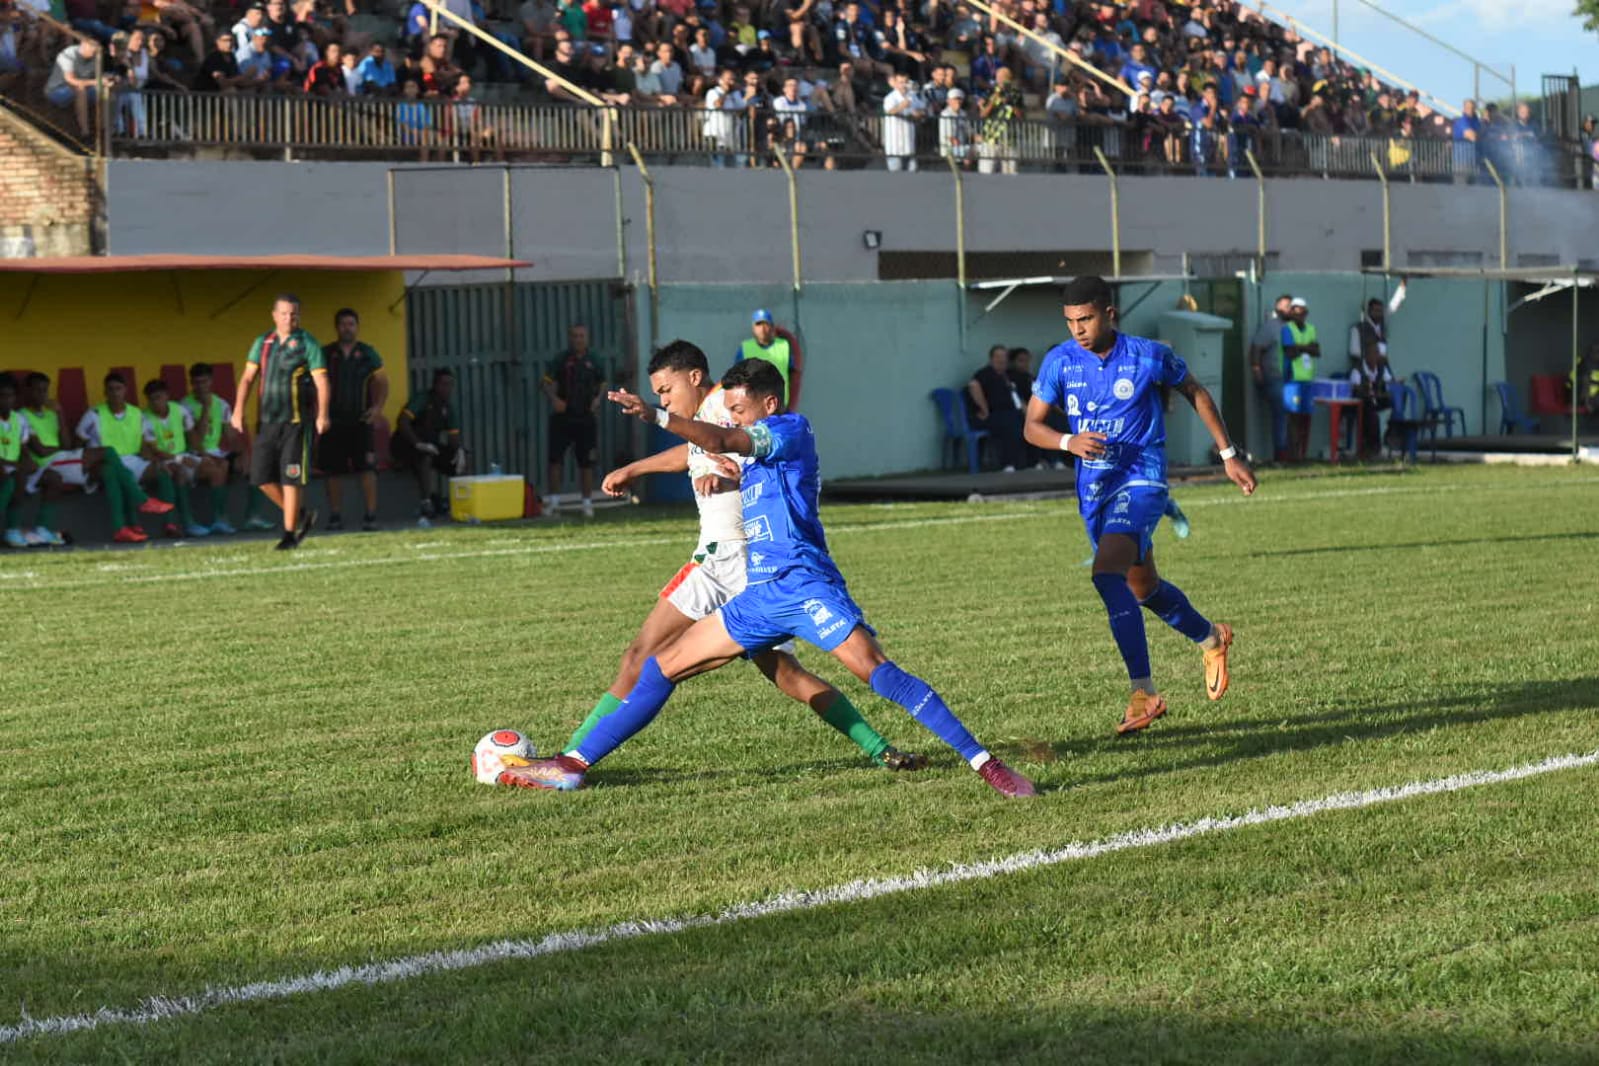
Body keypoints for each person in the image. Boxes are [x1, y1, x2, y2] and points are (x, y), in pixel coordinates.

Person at [499, 354, 1036, 797]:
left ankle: (985, 764)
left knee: (876, 671)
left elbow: (730, 441)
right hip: (760, 593)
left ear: (768, 404)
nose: (733, 419)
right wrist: (724, 478)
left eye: (740, 409)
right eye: (728, 410)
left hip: (805, 585)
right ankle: (572, 764)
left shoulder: (789, 429)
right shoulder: (751, 450)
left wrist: (657, 418)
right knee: (661, 666)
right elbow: (731, 455)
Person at [554, 342, 927, 773]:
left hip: (723, 559)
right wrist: (637, 468)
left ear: (694, 377)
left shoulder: (721, 406)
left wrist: (714, 468)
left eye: (666, 390)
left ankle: (568, 759)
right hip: (748, 564)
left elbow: (726, 443)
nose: (664, 401)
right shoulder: (708, 415)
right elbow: (695, 452)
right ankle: (880, 748)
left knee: (640, 657)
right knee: (784, 672)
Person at [1023, 276, 1255, 736]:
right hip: (1095, 489)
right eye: (1070, 321)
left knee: (1106, 574)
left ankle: (1143, 692)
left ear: (1110, 313)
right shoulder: (1059, 362)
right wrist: (1069, 440)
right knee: (1143, 588)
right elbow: (1032, 426)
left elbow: (1196, 392)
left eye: (1085, 319)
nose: (1078, 330)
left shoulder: (1148, 355)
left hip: (1143, 480)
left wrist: (1228, 456)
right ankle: (1211, 637)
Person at [229, 293, 331, 550]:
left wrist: (322, 414)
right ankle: (300, 515)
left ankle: (288, 535)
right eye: (284, 313)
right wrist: (238, 410)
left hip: (296, 422)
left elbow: (321, 381)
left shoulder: (308, 342)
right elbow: (247, 378)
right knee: (260, 477)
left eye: (294, 314)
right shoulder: (263, 342)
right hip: (267, 421)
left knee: (291, 478)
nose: (289, 318)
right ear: (274, 315)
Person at [75, 372, 179, 542]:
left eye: (119, 388)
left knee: (162, 470)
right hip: (104, 463)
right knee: (112, 473)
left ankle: (170, 524)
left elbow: (144, 444)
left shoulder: (137, 414)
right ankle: (123, 526)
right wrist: (84, 468)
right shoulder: (94, 414)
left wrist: (154, 459)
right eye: (111, 389)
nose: (115, 393)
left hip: (133, 460)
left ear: (126, 391)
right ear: (105, 392)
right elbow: (78, 441)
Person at [319, 307, 388, 532]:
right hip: (333, 421)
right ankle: (336, 516)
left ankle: (370, 515)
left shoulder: (368, 353)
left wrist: (377, 408)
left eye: (351, 324)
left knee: (367, 469)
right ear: (337, 327)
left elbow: (381, 380)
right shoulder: (326, 353)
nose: (347, 328)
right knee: (333, 470)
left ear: (357, 327)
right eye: (343, 324)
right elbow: (314, 381)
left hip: (360, 421)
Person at [542, 323, 605, 517]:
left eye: (581, 336)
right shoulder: (561, 359)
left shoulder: (594, 359)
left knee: (586, 462)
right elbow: (546, 381)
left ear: (587, 338)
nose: (578, 339)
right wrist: (554, 399)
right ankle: (553, 502)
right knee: (555, 460)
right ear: (570, 338)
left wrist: (597, 400)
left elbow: (603, 382)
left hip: (585, 417)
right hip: (563, 417)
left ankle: (587, 503)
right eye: (575, 336)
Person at [179, 361, 249, 534]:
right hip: (194, 453)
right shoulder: (184, 406)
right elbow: (198, 439)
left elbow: (230, 435)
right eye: (197, 383)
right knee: (221, 466)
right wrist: (205, 409)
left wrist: (242, 455)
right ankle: (220, 517)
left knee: (255, 467)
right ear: (191, 383)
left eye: (205, 382)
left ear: (211, 381)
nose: (201, 386)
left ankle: (252, 517)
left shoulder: (222, 404)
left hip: (216, 452)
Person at [392, 368, 464, 525]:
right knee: (425, 457)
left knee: (460, 460)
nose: (447, 389)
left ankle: (461, 501)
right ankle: (426, 502)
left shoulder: (448, 408)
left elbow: (453, 436)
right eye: (444, 384)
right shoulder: (422, 399)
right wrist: (418, 443)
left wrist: (459, 452)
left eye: (450, 385)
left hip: (431, 444)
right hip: (406, 443)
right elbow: (402, 421)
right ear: (435, 385)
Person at [141, 378, 208, 538]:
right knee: (179, 471)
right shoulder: (144, 418)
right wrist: (178, 459)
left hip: (182, 454)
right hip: (163, 459)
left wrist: (203, 455)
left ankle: (221, 520)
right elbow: (153, 450)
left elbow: (193, 437)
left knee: (216, 469)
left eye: (159, 397)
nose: (156, 402)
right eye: (152, 399)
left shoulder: (180, 411)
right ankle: (187, 522)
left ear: (167, 396)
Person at [965, 344, 1026, 472]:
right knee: (1010, 423)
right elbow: (973, 386)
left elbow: (1016, 396)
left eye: (1004, 356)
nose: (1001, 359)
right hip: (990, 415)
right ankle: (1008, 463)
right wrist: (984, 409)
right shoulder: (985, 373)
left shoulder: (1008, 376)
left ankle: (1030, 462)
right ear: (991, 358)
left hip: (1010, 413)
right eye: (998, 356)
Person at [1249, 292, 1291, 462]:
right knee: (1280, 416)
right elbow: (1256, 348)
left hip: (1292, 380)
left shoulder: (1295, 327)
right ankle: (1280, 455)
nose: (1290, 310)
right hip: (1275, 378)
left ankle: (1293, 453)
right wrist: (1257, 369)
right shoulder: (1271, 327)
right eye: (1286, 306)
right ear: (1277, 308)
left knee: (1291, 417)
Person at [732, 309, 801, 410]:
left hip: (779, 405)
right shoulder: (745, 348)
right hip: (753, 406)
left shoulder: (784, 346)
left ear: (772, 327)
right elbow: (737, 379)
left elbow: (793, 376)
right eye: (758, 324)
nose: (762, 329)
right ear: (753, 328)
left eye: (766, 324)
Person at [1280, 296, 1319, 462]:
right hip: (1292, 380)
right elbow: (1290, 352)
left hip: (1308, 379)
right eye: (1295, 313)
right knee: (1293, 417)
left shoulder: (1311, 329)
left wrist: (1300, 348)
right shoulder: (1287, 329)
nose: (1299, 316)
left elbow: (1317, 350)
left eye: (1302, 313)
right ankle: (1293, 454)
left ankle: (1302, 452)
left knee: (1305, 417)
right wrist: (1306, 348)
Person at [1347, 341, 1396, 459]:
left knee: (1394, 401)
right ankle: (1373, 447)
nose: (1376, 357)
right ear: (1367, 355)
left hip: (1376, 399)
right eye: (1374, 354)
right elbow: (1355, 390)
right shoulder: (1357, 369)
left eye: (1378, 354)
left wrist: (1388, 388)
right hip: (1361, 403)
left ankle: (1391, 434)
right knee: (1372, 414)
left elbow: (1390, 382)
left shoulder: (1381, 367)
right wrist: (1369, 392)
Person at [0, 375, 32, 548]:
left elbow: (24, 449)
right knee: (8, 478)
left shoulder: (19, 419)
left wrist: (26, 463)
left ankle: (12, 531)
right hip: (5, 468)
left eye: (10, 396)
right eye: (2, 396)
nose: (6, 400)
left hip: (11, 467)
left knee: (18, 477)